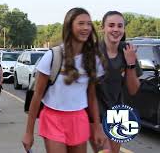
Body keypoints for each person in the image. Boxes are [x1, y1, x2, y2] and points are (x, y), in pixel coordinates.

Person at [22, 8, 106, 153]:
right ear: (69, 26)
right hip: (52, 118)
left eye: (89, 24)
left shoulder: (94, 59)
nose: (86, 27)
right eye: (81, 23)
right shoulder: (52, 56)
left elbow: (92, 98)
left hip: (79, 119)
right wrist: (29, 132)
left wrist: (97, 128)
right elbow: (37, 96)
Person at [90, 11, 142, 153]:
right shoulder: (93, 51)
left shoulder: (127, 50)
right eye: (111, 25)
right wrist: (95, 124)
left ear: (124, 29)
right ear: (103, 28)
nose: (116, 29)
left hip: (119, 113)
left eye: (120, 26)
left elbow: (133, 90)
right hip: (97, 114)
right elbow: (88, 91)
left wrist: (130, 64)